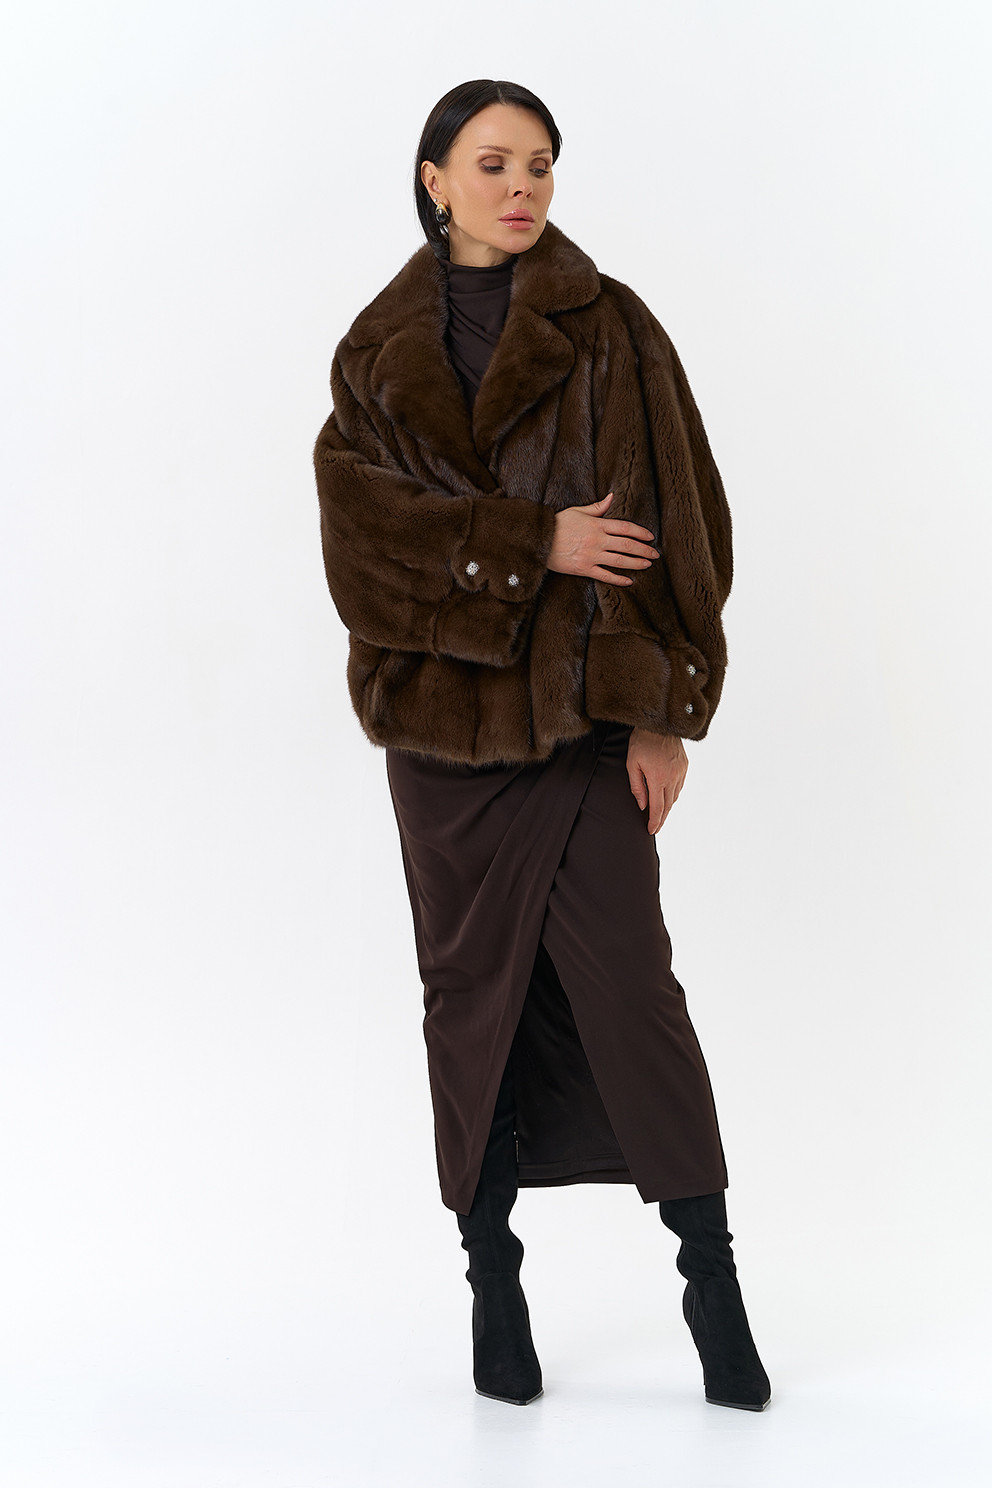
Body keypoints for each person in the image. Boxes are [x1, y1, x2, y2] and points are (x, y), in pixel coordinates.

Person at [313, 78, 770, 1413]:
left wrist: (661, 712)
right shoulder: (374, 353)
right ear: (435, 179)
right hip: (443, 757)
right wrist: (533, 543)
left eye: (542, 166)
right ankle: (493, 1287)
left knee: (637, 1000)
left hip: (581, 739)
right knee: (468, 1005)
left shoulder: (610, 326)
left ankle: (714, 1289)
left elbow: (684, 520)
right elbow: (363, 555)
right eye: (495, 163)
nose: (523, 187)